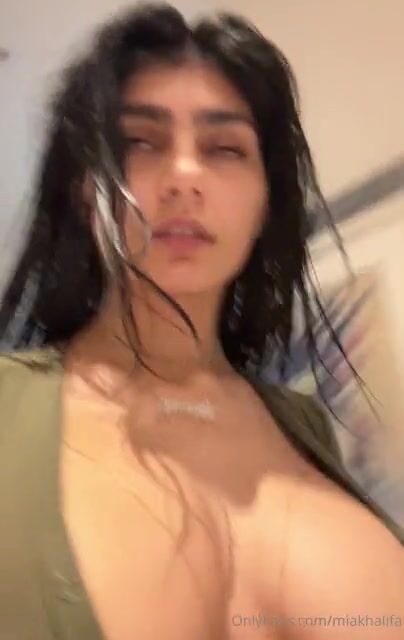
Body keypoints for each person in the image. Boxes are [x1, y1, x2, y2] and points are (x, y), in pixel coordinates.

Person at [0, 3, 403, 639]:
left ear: (265, 200)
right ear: (85, 191)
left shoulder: (304, 428)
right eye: (140, 142)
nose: (184, 176)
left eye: (225, 148)